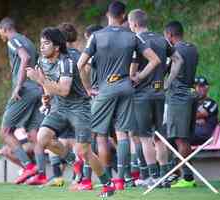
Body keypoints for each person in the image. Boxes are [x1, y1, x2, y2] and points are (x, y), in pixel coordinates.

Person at [78, 1, 160, 190]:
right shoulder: (133, 37)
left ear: (108, 14)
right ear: (124, 16)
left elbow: (79, 65)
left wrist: (87, 88)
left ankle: (92, 180)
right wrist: (138, 77)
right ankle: (121, 180)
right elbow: (154, 60)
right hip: (126, 87)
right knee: (123, 135)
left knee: (96, 135)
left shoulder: (97, 36)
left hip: (105, 89)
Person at [26, 27, 115, 197]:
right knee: (42, 137)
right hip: (59, 107)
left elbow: (64, 89)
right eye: (41, 43)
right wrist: (46, 96)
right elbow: (49, 86)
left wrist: (40, 80)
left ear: (57, 47)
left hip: (79, 107)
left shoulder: (66, 62)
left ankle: (108, 185)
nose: (42, 47)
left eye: (46, 43)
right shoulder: (41, 61)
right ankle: (74, 162)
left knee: (84, 151)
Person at [128, 9, 183, 188]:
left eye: (129, 24)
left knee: (145, 138)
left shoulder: (136, 40)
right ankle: (164, 175)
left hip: (142, 95)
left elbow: (133, 70)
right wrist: (168, 81)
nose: (129, 27)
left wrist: (135, 77)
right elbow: (178, 60)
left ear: (135, 24)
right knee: (159, 137)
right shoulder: (161, 39)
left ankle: (152, 177)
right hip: (160, 93)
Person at [0, 17, 44, 184]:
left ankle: (28, 167)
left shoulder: (12, 40)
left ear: (4, 29)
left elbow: (24, 58)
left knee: (5, 132)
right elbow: (39, 64)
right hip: (37, 89)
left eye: (0, 33)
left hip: (25, 90)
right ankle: (42, 175)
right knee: (33, 133)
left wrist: (18, 85)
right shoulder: (28, 41)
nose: (1, 36)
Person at [164, 20, 199, 188]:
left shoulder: (174, 50)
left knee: (180, 139)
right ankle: (181, 175)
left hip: (178, 96)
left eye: (166, 36)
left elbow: (164, 70)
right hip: (191, 94)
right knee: (183, 138)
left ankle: (187, 177)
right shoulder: (192, 48)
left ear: (170, 35)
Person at [191, 76, 218, 145]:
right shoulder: (190, 103)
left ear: (207, 88)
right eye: (194, 87)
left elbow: (201, 114)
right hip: (191, 132)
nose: (197, 89)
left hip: (203, 135)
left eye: (201, 86)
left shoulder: (211, 103)